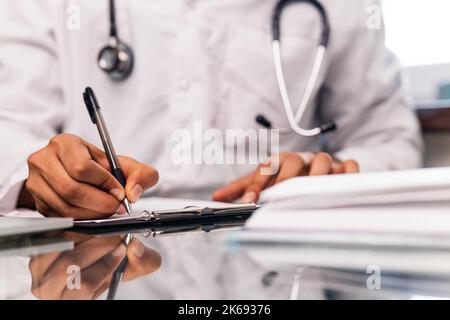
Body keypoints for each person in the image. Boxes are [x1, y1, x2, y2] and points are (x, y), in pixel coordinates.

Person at [0, 0, 422, 219]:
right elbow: (10, 125)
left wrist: (331, 172)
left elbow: (387, 138)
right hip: (99, 249)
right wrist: (40, 177)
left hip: (271, 256)